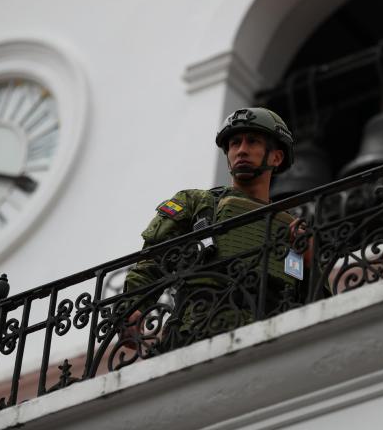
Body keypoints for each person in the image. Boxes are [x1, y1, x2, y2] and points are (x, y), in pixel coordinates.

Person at [119, 108, 312, 354]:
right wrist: (131, 310)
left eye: (252, 141)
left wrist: (308, 260)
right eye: (234, 143)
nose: (241, 150)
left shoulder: (292, 228)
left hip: (272, 341)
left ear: (276, 158)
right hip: (194, 336)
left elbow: (313, 299)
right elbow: (153, 261)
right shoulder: (197, 203)